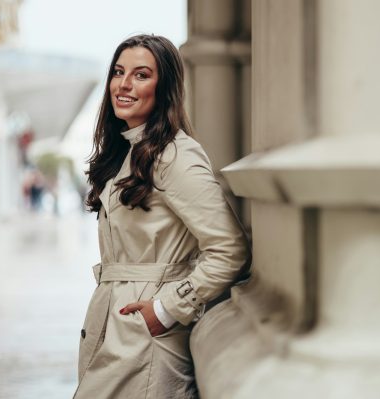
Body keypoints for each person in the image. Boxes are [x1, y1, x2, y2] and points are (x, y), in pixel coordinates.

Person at [73, 34, 250, 399]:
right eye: (119, 72)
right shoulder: (127, 151)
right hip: (116, 324)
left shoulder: (176, 155)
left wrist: (167, 309)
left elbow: (229, 249)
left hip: (148, 336)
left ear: (164, 86)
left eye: (141, 75)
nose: (123, 85)